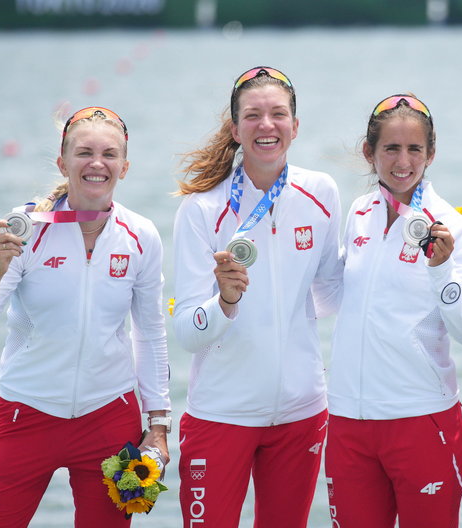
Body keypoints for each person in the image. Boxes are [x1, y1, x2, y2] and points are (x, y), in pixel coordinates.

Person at [0, 107, 171, 527]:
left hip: (109, 419)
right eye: (84, 152)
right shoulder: (27, 228)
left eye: (109, 154)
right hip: (24, 415)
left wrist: (158, 424)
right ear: (62, 162)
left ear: (124, 167)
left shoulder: (141, 236)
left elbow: (151, 335)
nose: (96, 163)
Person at [171, 66, 343, 527]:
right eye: (253, 116)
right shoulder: (202, 208)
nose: (267, 125)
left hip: (301, 411)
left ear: (295, 125)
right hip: (221, 414)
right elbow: (187, 331)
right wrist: (225, 303)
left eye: (278, 114)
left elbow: (329, 293)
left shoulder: (322, 192)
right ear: (235, 128)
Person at [324, 94, 462, 528]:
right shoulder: (358, 213)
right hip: (347, 422)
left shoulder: (454, 228)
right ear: (369, 152)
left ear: (431, 153)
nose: (403, 161)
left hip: (421, 421)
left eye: (414, 149)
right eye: (390, 149)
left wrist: (442, 269)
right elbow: (336, 298)